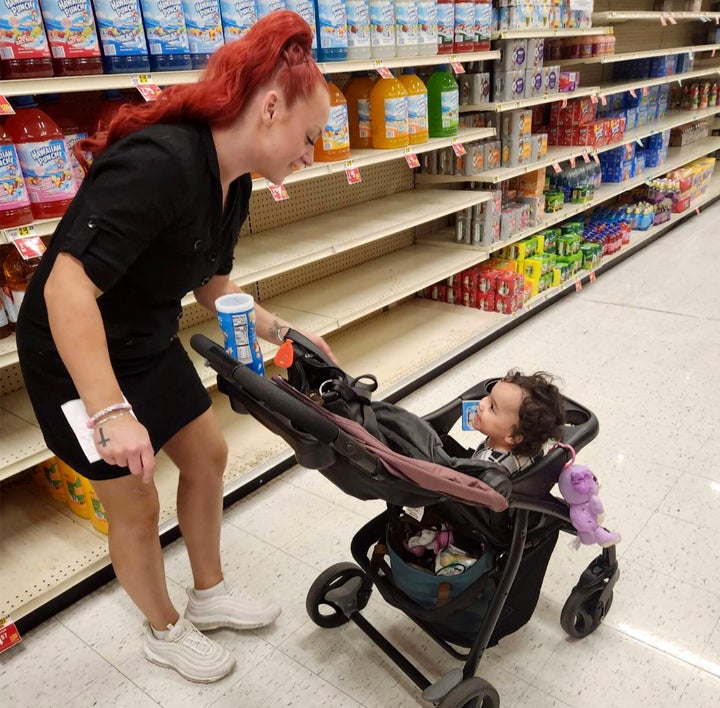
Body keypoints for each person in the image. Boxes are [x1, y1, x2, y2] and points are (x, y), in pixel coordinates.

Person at [16, 11, 334, 684]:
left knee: (208, 454)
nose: (312, 154)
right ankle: (163, 628)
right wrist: (110, 412)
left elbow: (212, 282)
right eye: (310, 137)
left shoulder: (233, 178)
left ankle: (209, 592)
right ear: (271, 107)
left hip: (144, 336)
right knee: (135, 500)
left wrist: (285, 332)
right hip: (77, 354)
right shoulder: (160, 162)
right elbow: (66, 290)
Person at [471, 370, 565, 476]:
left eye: (492, 407)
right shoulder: (532, 444)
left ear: (513, 436)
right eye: (489, 396)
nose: (481, 403)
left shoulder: (485, 465)